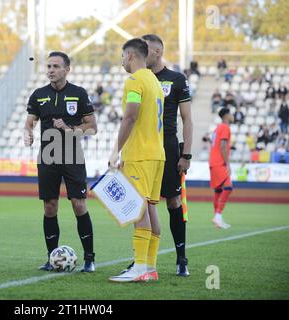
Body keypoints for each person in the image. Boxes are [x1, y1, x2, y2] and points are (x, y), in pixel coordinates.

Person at [24, 51, 98, 273]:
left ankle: (89, 259)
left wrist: (70, 129)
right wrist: (27, 133)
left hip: (72, 155)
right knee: (49, 207)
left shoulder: (79, 94)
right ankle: (51, 257)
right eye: (48, 66)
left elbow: (92, 127)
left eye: (56, 66)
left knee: (78, 204)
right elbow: (29, 122)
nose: (51, 70)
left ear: (67, 69)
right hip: (48, 156)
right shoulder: (38, 95)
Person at [108, 38, 165, 283]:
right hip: (157, 154)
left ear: (130, 55)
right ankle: (150, 267)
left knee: (138, 208)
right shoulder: (154, 80)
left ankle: (139, 267)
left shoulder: (134, 80)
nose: (121, 61)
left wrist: (115, 151)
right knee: (150, 208)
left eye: (122, 56)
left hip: (139, 154)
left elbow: (130, 116)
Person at [142, 34, 193, 276]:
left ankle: (181, 258)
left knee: (173, 202)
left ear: (158, 52)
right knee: (142, 204)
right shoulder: (138, 78)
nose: (142, 54)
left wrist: (187, 155)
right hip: (143, 150)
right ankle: (143, 261)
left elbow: (187, 119)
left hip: (169, 149)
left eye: (147, 50)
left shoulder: (176, 79)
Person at [209, 108, 234, 229]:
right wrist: (227, 163)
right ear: (226, 115)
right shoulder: (225, 127)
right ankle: (218, 215)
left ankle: (217, 218)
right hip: (219, 162)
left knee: (218, 190)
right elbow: (223, 146)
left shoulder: (217, 128)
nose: (232, 116)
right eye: (231, 114)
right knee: (228, 187)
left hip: (213, 162)